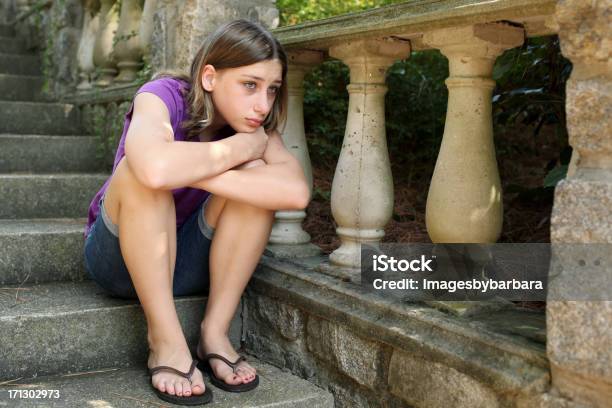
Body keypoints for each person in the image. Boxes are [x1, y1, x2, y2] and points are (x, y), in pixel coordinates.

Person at [83, 19, 310, 405]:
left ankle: (214, 333)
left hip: (187, 262)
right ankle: (165, 341)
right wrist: (236, 153)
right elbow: (153, 169)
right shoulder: (160, 97)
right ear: (209, 77)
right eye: (250, 85)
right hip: (118, 258)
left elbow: (296, 192)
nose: (263, 104)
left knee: (257, 184)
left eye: (272, 90)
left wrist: (195, 171)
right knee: (139, 175)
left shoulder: (254, 125)